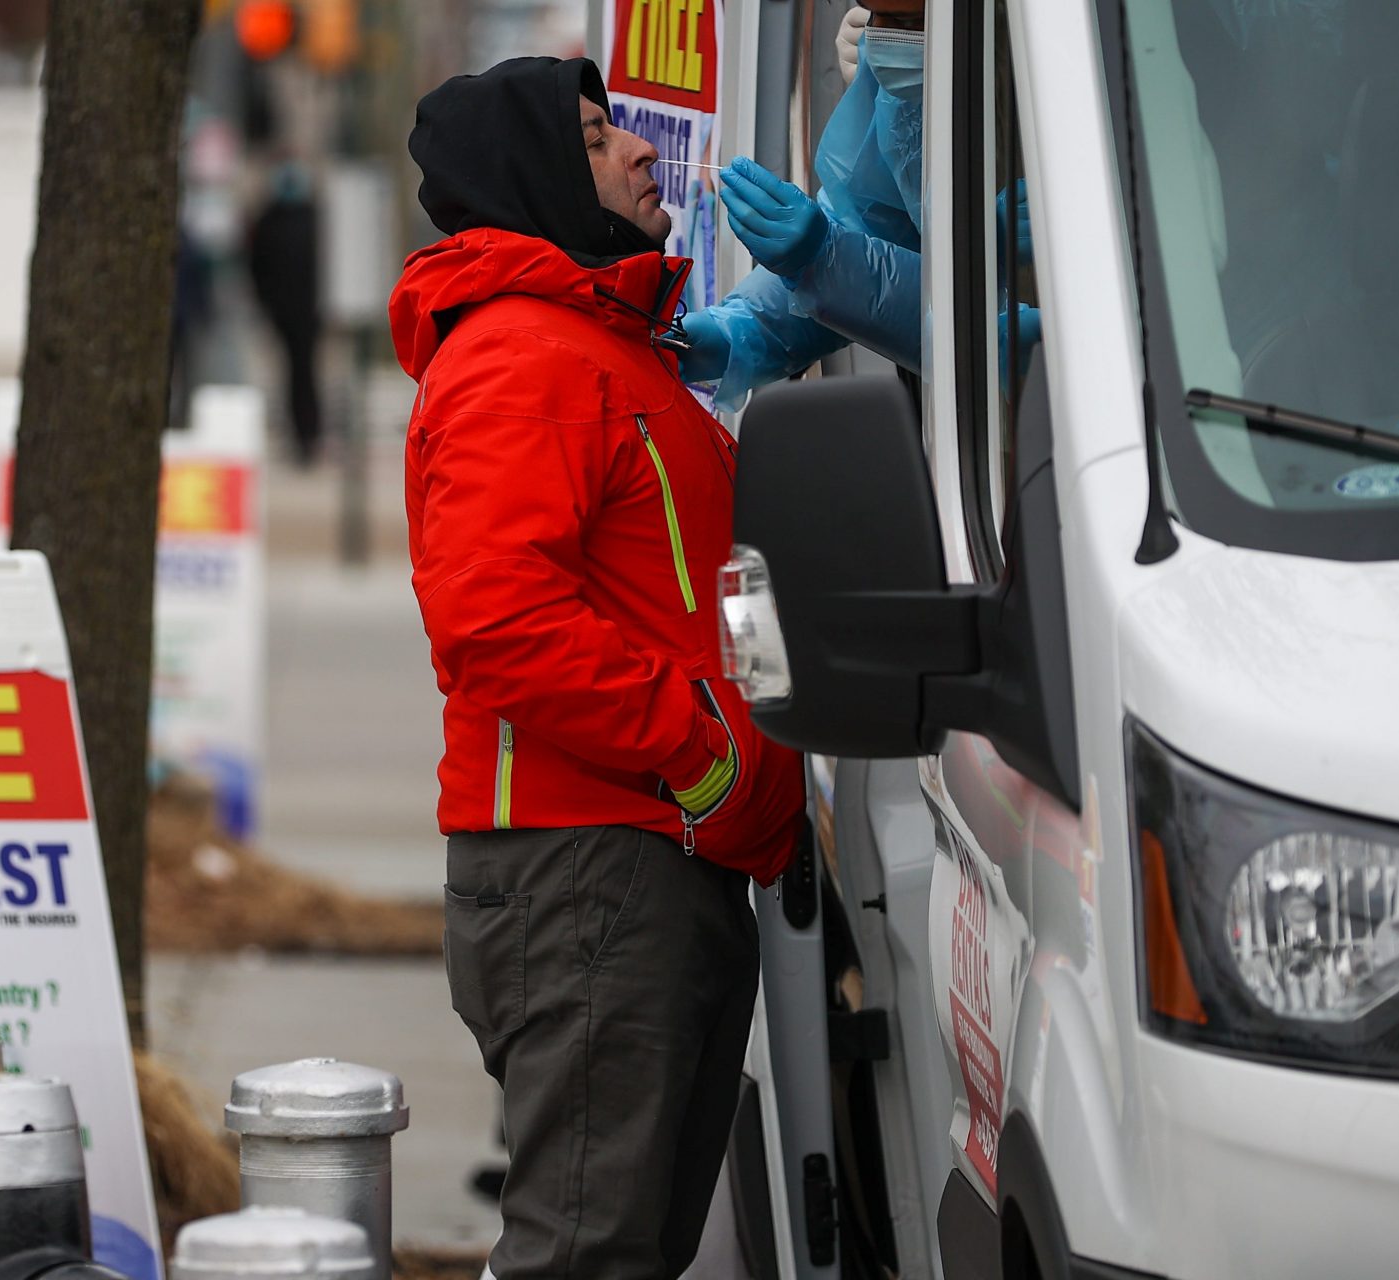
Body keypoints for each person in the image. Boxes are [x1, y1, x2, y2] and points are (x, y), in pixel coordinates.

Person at [394, 57, 803, 1278]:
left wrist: (755, 751)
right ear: (526, 178)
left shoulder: (603, 347)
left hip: (646, 863)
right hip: (593, 867)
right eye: (590, 138)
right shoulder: (526, 355)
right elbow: (492, 613)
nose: (637, 153)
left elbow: (701, 585)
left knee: (621, 1248)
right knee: (585, 1256)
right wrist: (705, 751)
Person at [681, 0, 930, 401]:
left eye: (905, 20)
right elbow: (870, 228)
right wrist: (733, 333)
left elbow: (1000, 341)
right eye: (872, 16)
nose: (882, 35)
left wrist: (826, 263)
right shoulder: (898, 89)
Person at [245, 162, 324, 464]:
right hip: (290, 311)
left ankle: (307, 434)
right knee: (298, 373)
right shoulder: (283, 218)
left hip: (302, 310)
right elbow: (257, 266)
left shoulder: (289, 218)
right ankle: (304, 434)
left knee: (301, 372)